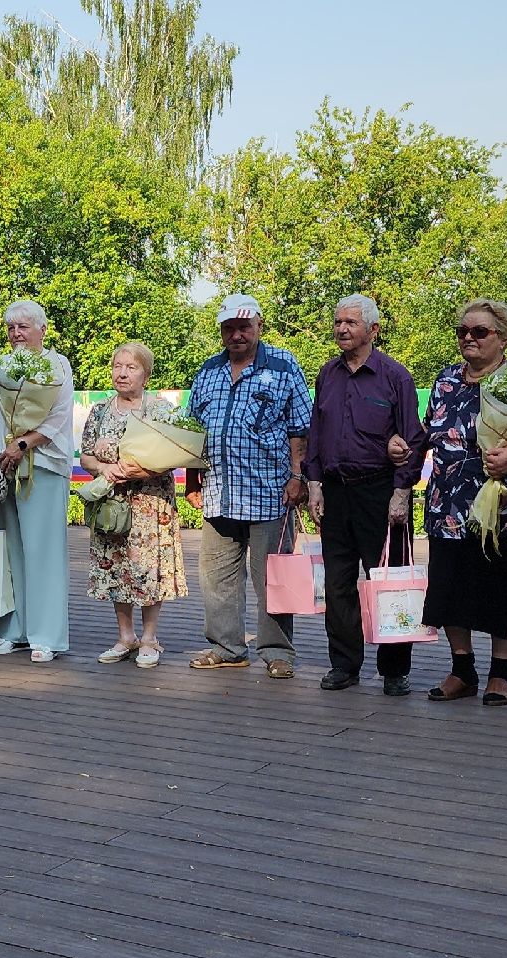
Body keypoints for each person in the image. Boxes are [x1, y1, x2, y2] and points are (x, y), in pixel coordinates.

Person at [410, 298, 507, 704]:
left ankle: (500, 673)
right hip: (448, 502)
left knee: (502, 586)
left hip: (504, 504)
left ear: (503, 338)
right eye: (462, 331)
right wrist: (403, 447)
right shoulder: (447, 379)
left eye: (480, 332)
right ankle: (462, 669)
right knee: (450, 587)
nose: (469, 338)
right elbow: (429, 430)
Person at [184, 294, 312, 678]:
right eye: (229, 328)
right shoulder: (208, 370)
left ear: (259, 326)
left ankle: (277, 651)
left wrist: (298, 476)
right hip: (219, 491)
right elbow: (193, 431)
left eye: (244, 327)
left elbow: (299, 426)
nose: (236, 334)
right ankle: (227, 647)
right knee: (217, 576)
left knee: (271, 578)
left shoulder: (283, 364)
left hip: (270, 490)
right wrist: (193, 479)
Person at [304, 295, 425, 693]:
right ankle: (344, 664)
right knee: (337, 582)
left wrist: (401, 491)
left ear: (373, 329)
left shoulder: (395, 376)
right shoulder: (327, 374)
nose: (341, 329)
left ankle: (394, 671)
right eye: (338, 322)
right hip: (336, 493)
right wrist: (315, 484)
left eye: (351, 323)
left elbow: (414, 438)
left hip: (380, 492)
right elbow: (316, 435)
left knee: (389, 579)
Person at [0, 300, 76, 663]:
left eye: (23, 327)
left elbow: (59, 416)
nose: (16, 334)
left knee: (42, 553)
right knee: (3, 550)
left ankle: (45, 635)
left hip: (42, 469)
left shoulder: (56, 364)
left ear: (42, 330)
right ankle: (7, 630)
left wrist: (21, 445)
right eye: (11, 327)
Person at [80, 341, 187, 669]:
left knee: (148, 572)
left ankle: (150, 637)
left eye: (131, 367)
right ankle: (125, 636)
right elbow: (84, 454)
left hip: (150, 504)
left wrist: (140, 469)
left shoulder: (160, 410)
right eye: (117, 366)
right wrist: (102, 468)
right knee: (117, 569)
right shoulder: (99, 409)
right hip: (112, 504)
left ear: (146, 374)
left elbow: (174, 455)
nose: (122, 373)